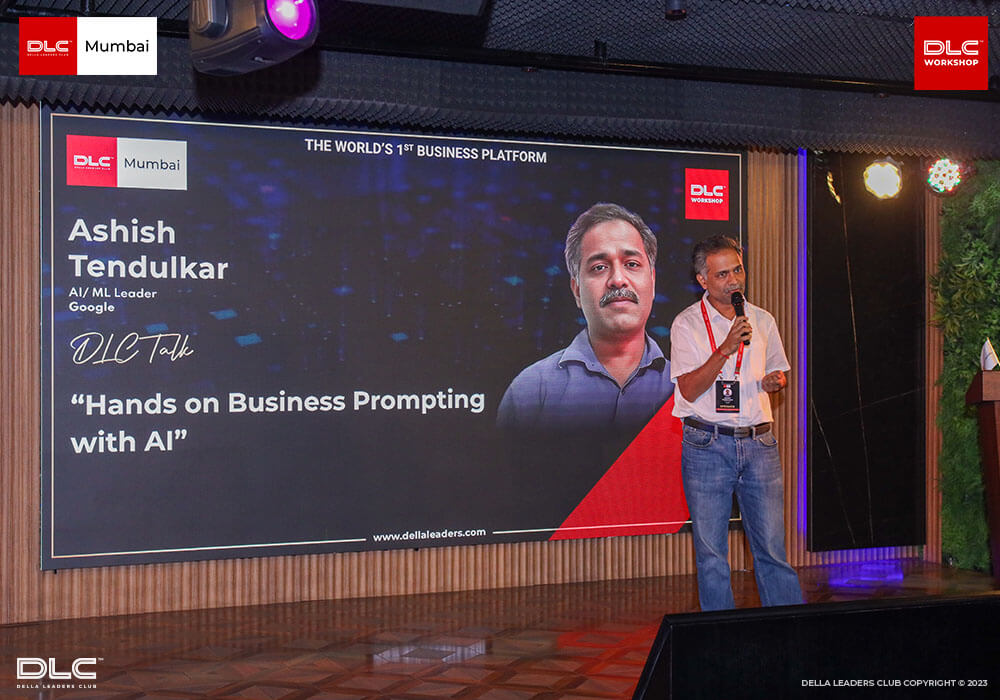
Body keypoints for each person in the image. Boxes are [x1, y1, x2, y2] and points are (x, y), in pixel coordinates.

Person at [669, 234, 802, 610]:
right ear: (703, 280)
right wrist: (725, 348)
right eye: (723, 274)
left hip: (759, 444)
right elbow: (689, 389)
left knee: (772, 549)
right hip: (707, 445)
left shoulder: (762, 320)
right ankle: (720, 636)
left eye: (738, 270)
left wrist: (774, 382)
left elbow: (777, 373)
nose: (734, 280)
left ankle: (792, 630)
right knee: (712, 556)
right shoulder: (686, 324)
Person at [497, 202, 673, 432]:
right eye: (599, 267)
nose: (618, 280)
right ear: (577, 290)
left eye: (632, 264)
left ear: (653, 281)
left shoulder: (685, 388)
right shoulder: (530, 391)